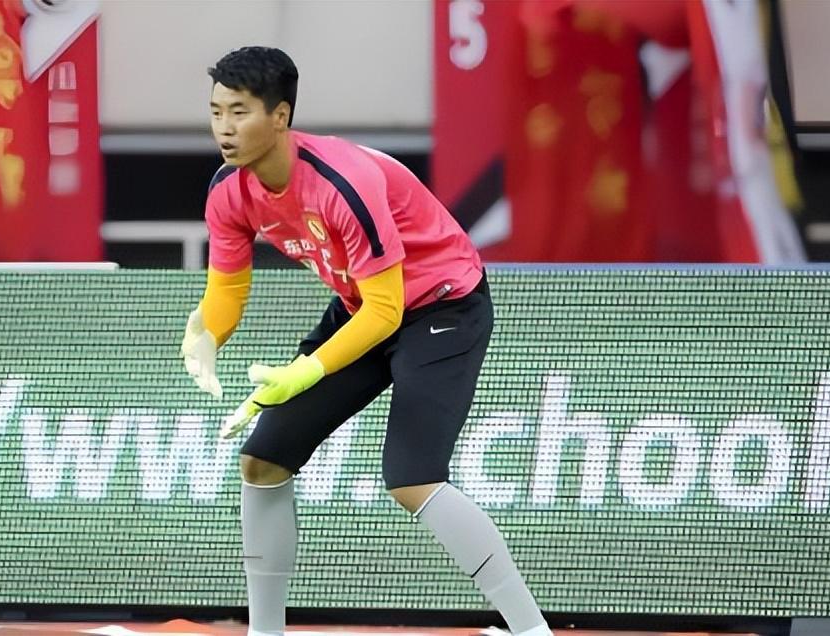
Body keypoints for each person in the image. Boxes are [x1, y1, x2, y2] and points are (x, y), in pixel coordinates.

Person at [179, 46, 551, 636]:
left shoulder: (342, 183)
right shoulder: (228, 190)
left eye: (240, 112)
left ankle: (533, 631)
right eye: (216, 111)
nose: (224, 128)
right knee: (263, 460)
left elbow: (386, 311)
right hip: (363, 303)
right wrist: (206, 333)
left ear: (280, 116)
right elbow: (227, 290)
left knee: (413, 478)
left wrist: (306, 370)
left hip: (441, 305)